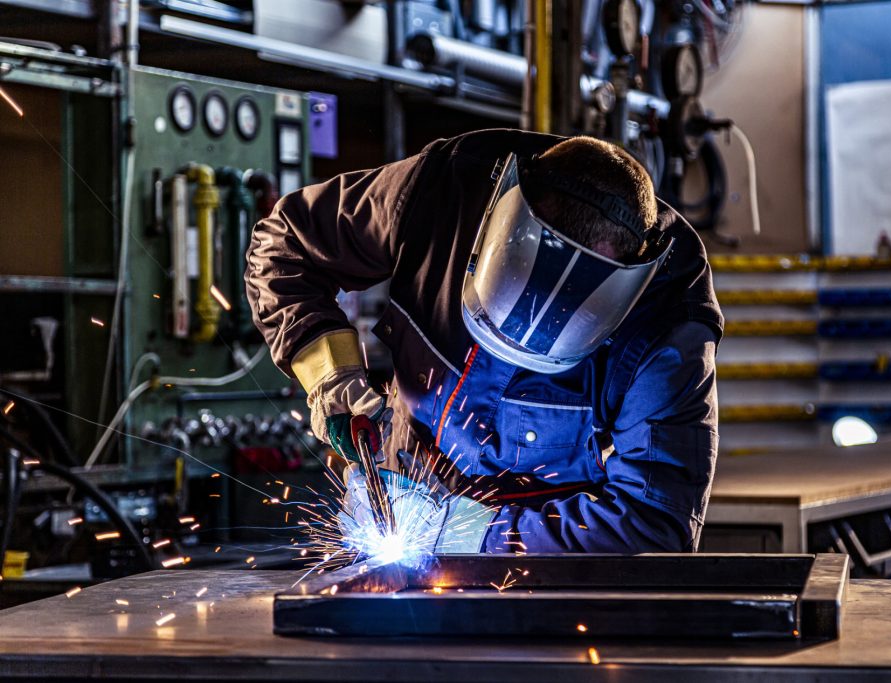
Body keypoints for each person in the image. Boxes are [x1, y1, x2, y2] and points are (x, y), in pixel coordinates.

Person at [245, 128, 722, 554]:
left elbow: (656, 524)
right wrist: (331, 374)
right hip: (397, 516)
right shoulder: (440, 195)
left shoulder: (667, 321)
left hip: (545, 585)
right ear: (497, 221)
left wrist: (474, 533)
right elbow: (285, 247)